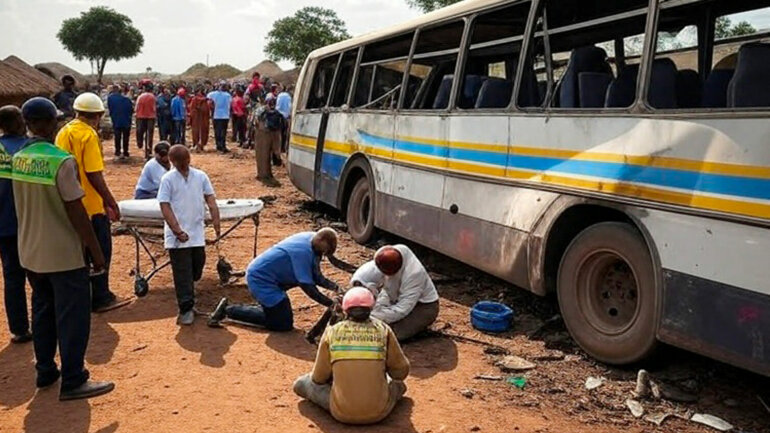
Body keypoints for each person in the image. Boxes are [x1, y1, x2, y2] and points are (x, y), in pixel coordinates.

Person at [13, 97, 114, 400]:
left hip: (31, 252)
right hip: (63, 255)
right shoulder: (60, 161)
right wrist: (96, 252)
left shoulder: (19, 158)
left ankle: (45, 371)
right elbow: (76, 211)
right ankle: (73, 378)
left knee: (42, 311)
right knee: (73, 316)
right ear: (45, 123)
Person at [56, 93, 130, 313]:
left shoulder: (63, 131)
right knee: (100, 251)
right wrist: (110, 201)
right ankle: (101, 297)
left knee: (79, 254)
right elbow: (93, 173)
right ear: (97, 115)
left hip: (69, 204)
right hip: (92, 205)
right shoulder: (88, 135)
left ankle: (83, 297)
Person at [293, 287, 409, 424]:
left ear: (345, 309)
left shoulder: (332, 332)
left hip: (340, 412)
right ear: (371, 308)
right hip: (380, 412)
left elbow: (318, 378)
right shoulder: (383, 329)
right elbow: (401, 372)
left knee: (301, 384)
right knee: (399, 385)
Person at [207, 229, 339, 331]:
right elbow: (308, 287)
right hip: (261, 280)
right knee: (282, 323)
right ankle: (228, 310)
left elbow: (316, 275)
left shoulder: (312, 238)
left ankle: (266, 307)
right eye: (325, 250)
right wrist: (331, 304)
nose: (322, 255)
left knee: (280, 315)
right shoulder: (302, 252)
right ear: (321, 239)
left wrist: (336, 287)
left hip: (274, 279)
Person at [157, 145, 220, 325]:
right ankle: (185, 308)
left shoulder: (200, 176)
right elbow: (165, 206)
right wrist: (176, 229)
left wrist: (216, 220)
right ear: (173, 162)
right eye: (180, 162)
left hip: (196, 232)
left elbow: (210, 199)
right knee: (182, 270)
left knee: (197, 265)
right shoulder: (167, 179)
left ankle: (188, 292)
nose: (185, 165)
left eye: (187, 161)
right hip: (177, 235)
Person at [350, 245, 439, 341]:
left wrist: (371, 316)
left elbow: (402, 309)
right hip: (392, 296)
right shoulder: (383, 256)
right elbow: (363, 277)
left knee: (389, 336)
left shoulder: (414, 274)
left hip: (423, 306)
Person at [0, 106, 32, 344]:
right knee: (40, 275)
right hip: (30, 223)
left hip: (4, 226)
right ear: (19, 122)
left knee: (12, 277)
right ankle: (46, 322)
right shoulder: (28, 148)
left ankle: (19, 329)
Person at [256, 98, 285, 185]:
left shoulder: (260, 110)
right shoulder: (277, 113)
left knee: (262, 155)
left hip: (263, 133)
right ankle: (268, 173)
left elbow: (255, 121)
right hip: (275, 134)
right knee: (272, 153)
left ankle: (263, 174)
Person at [106, 84, 134, 160]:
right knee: (126, 137)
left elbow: (110, 108)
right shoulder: (127, 99)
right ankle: (125, 152)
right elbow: (131, 110)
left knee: (117, 136)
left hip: (116, 120)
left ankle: (117, 151)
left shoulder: (110, 98)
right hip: (126, 120)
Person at [207, 83, 232, 153]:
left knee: (217, 131)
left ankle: (219, 146)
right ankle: (223, 146)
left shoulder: (212, 94)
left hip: (216, 115)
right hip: (225, 116)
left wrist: (212, 107)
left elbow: (208, 100)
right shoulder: (228, 95)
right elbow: (231, 103)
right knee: (223, 132)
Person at [135, 83, 157, 160]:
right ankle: (149, 150)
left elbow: (136, 107)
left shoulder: (140, 97)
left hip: (140, 117)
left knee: (140, 131)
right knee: (149, 135)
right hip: (151, 117)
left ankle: (140, 142)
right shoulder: (153, 97)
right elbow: (154, 108)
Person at [189, 87, 210, 152]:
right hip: (202, 119)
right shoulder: (205, 100)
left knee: (196, 131)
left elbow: (192, 110)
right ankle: (201, 145)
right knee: (203, 131)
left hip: (197, 119)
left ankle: (197, 144)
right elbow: (207, 110)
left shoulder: (194, 100)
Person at [276, 85, 292, 153]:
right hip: (286, 117)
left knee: (279, 133)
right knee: (285, 133)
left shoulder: (279, 96)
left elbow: (278, 106)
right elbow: (290, 106)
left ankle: (279, 147)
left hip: (279, 116)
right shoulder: (288, 96)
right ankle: (283, 148)